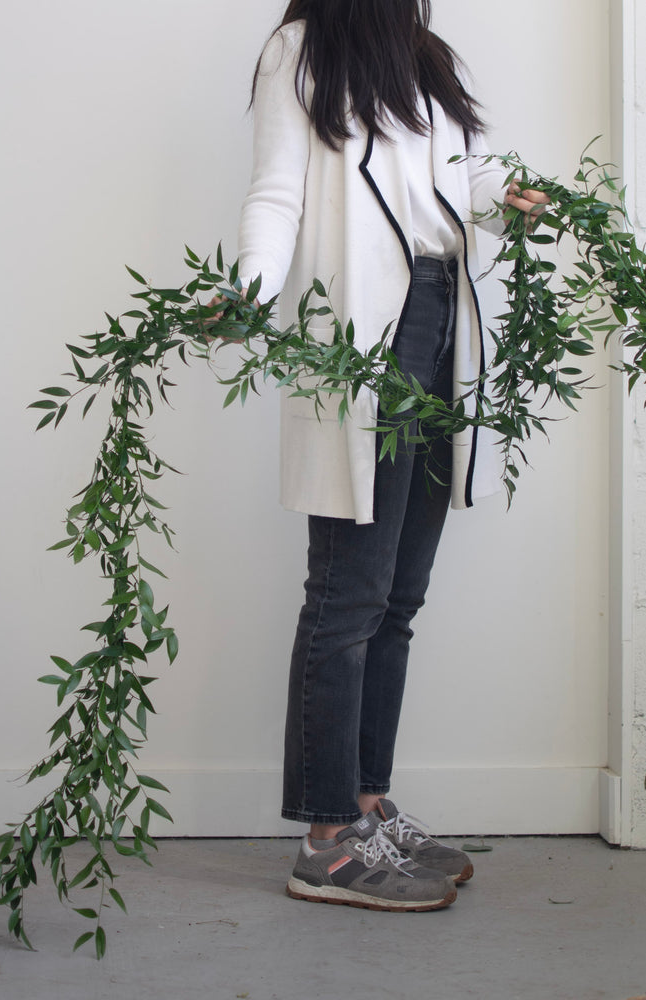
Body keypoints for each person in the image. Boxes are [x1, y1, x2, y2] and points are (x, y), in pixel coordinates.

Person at [233, 0, 549, 911]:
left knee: (398, 598)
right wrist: (248, 295)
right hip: (365, 336)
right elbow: (276, 192)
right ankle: (326, 839)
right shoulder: (299, 50)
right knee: (349, 595)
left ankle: (370, 805)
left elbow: (456, 178)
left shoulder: (423, 55)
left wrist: (507, 196)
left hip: (442, 316)